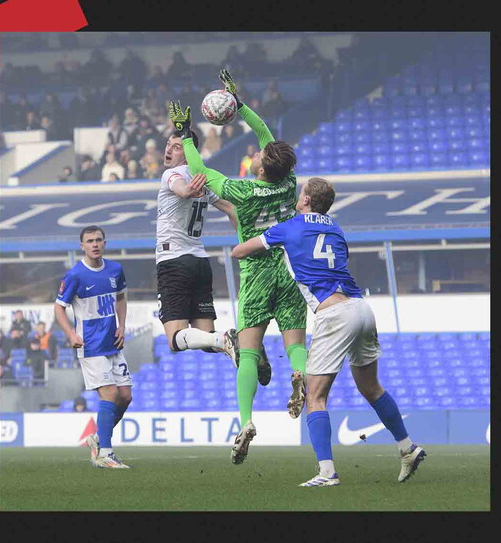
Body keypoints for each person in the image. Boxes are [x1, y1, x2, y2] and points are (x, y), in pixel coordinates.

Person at [230, 178, 427, 487]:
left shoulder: (290, 226)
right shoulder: (335, 228)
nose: (298, 195)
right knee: (371, 387)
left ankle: (326, 473)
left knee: (314, 396)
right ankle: (407, 448)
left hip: (333, 314)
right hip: (360, 308)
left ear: (306, 200)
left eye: (302, 192)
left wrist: (252, 232)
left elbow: (239, 252)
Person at [169, 69, 308, 465]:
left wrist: (184, 134)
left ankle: (246, 421)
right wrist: (240, 103)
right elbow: (266, 134)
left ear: (262, 167)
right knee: (295, 344)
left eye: (261, 156)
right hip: (288, 269)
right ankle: (299, 374)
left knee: (247, 353)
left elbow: (200, 171)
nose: (259, 152)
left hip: (257, 273)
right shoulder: (288, 183)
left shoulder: (244, 190)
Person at [155, 125, 240, 366]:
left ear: (188, 152)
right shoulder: (202, 177)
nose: (168, 151)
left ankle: (226, 340)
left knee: (174, 339)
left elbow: (180, 189)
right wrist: (244, 240)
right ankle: (243, 344)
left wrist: (187, 192)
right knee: (208, 339)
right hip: (200, 263)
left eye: (176, 147)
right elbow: (232, 209)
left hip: (173, 263)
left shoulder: (172, 175)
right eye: (168, 145)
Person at [54, 225, 132, 469]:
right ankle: (105, 454)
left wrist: (122, 326)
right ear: (82, 246)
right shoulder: (75, 275)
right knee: (109, 394)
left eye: (98, 240)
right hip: (90, 344)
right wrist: (70, 334)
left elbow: (120, 298)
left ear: (105, 243)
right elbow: (59, 308)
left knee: (126, 397)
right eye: (90, 241)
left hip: (112, 341)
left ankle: (99, 438)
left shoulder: (115, 270)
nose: (95, 244)